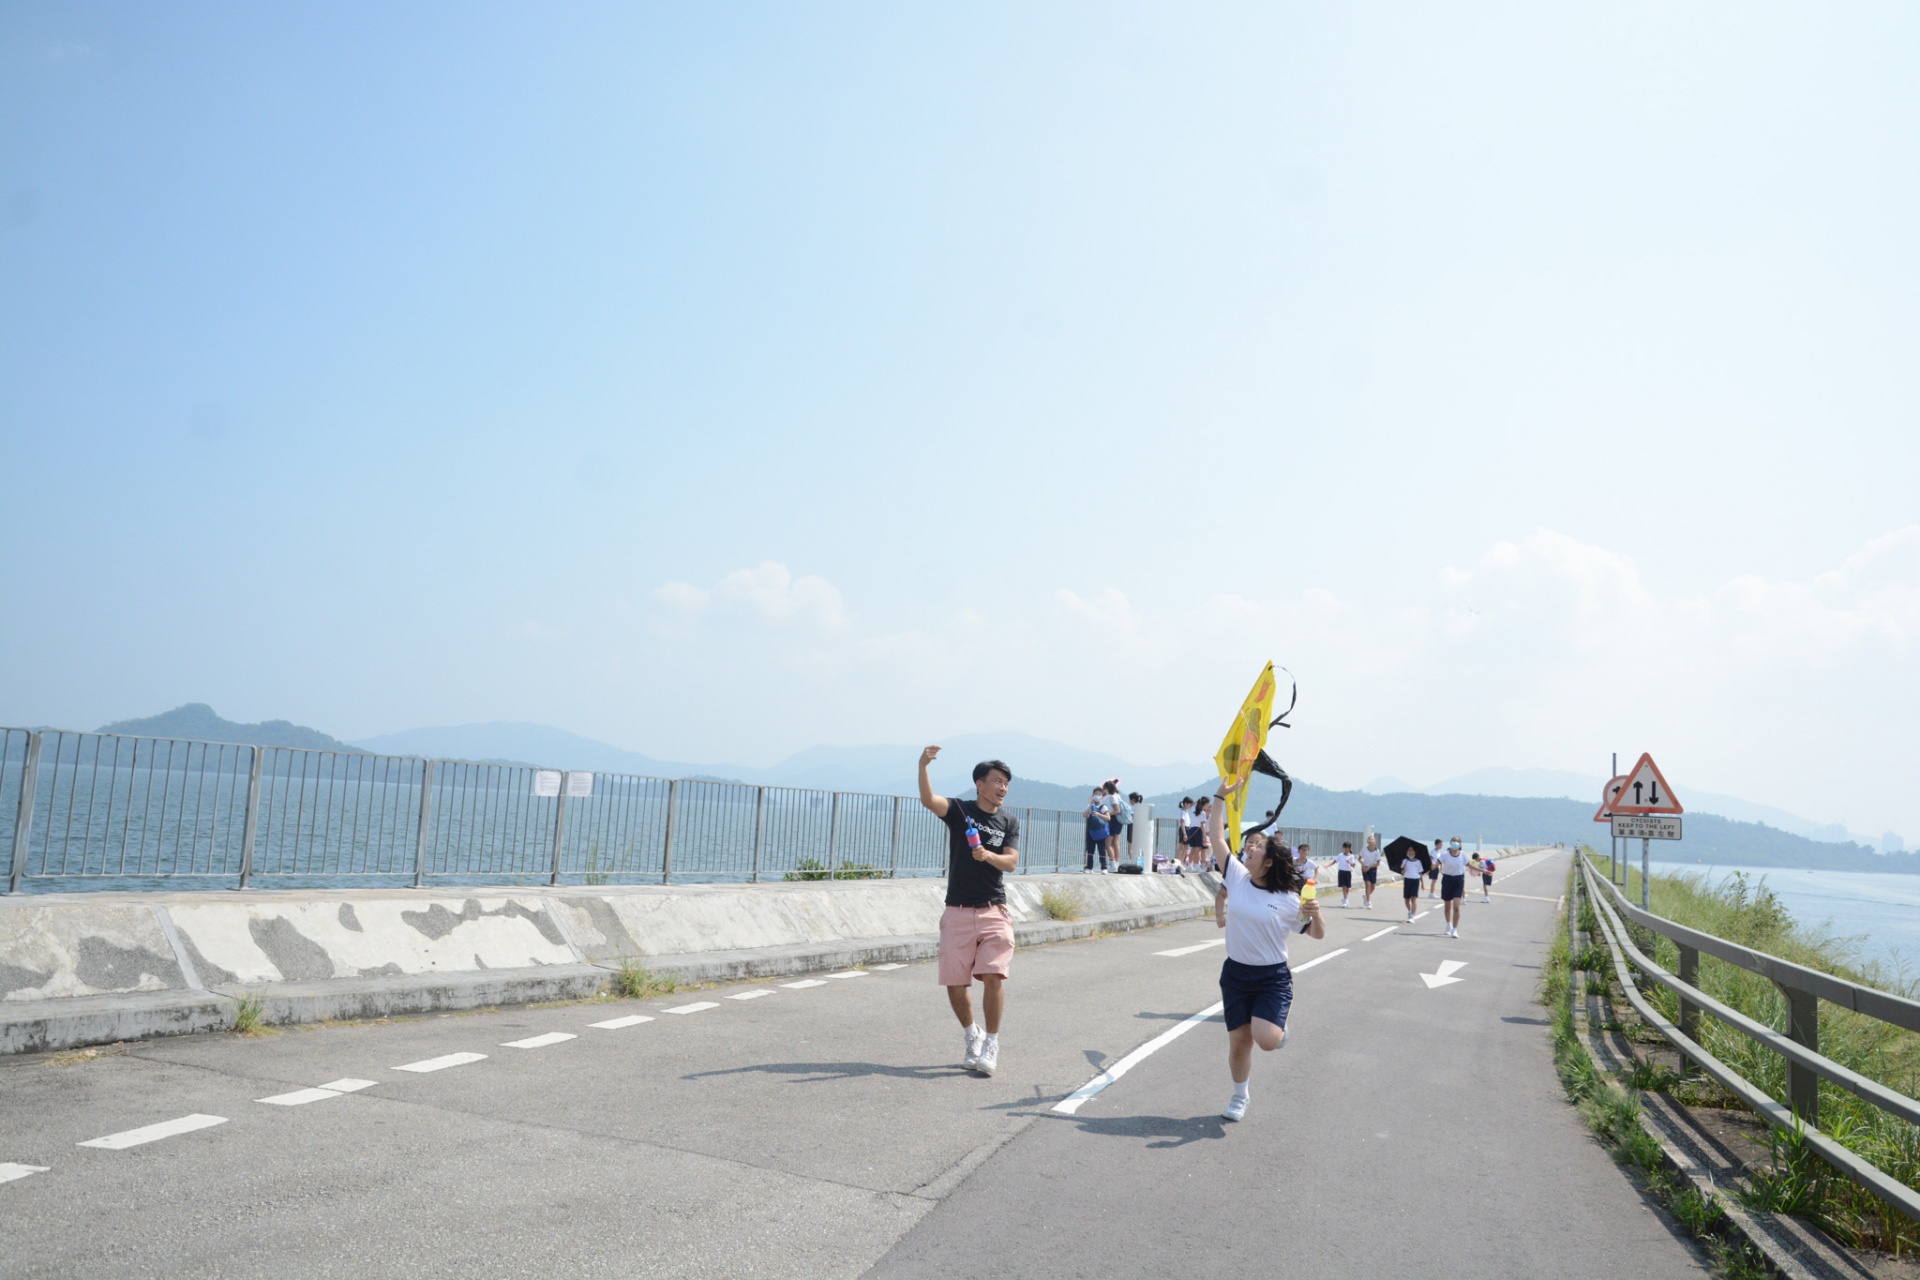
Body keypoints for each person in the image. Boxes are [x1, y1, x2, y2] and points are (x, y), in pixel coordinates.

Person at [1207, 778, 1323, 1122]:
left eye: (1257, 848)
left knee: (1267, 1040)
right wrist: (1220, 797)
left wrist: (1317, 914)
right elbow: (1216, 837)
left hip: (1272, 977)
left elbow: (1316, 934)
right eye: (1250, 846)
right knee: (1239, 1042)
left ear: (1269, 861)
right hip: (1236, 974)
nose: (1250, 849)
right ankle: (1239, 1096)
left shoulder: (1288, 899)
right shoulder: (1237, 877)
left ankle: (1279, 1032)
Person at [917, 746, 1021, 1076]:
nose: (1003, 788)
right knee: (955, 982)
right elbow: (928, 800)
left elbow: (1011, 862)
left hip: (993, 909)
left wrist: (987, 856)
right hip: (958, 910)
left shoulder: (1008, 821)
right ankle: (971, 1035)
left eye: (1006, 783)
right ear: (980, 784)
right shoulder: (960, 811)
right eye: (997, 781)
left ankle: (992, 1042)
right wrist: (923, 766)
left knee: (993, 975)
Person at [1437, 837, 1470, 937]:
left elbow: (1469, 865)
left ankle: (1455, 929)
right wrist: (1429, 867)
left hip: (1458, 880)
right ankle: (1448, 924)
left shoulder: (1462, 854)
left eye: (1458, 841)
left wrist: (1482, 870)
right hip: (1447, 879)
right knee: (1447, 906)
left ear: (1460, 844)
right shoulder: (1445, 854)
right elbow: (1435, 864)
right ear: (1450, 843)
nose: (1456, 843)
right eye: (1454, 841)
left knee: (1456, 906)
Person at [1083, 788, 1111, 873]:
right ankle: (1089, 867)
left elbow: (1108, 817)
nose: (1097, 796)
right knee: (1090, 850)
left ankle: (1104, 867)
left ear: (1102, 796)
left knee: (1101, 850)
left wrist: (1098, 814)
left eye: (1099, 794)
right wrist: (1090, 807)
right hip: (1091, 831)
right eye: (1095, 794)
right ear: (1093, 795)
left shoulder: (1103, 807)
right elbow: (1085, 815)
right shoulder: (1090, 806)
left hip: (1100, 832)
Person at [1103, 781, 1129, 869]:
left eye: (1105, 789)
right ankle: (1116, 863)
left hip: (1114, 820)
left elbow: (1117, 810)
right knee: (1115, 842)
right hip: (1118, 821)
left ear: (1108, 788)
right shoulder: (1117, 796)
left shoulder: (1113, 797)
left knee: (1107, 843)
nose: (1104, 790)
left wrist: (1107, 814)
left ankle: (1113, 863)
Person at [1401, 844, 1426, 922]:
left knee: (1413, 899)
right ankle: (1409, 911)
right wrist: (1404, 869)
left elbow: (1420, 873)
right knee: (1406, 900)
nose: (1410, 852)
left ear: (1414, 852)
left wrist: (1422, 884)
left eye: (1412, 850)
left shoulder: (1418, 862)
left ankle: (1412, 916)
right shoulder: (1405, 861)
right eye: (1409, 850)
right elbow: (1402, 872)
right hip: (1407, 880)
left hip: (1415, 880)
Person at [1358, 834, 1383, 910]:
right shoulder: (1364, 849)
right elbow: (1359, 858)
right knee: (1367, 885)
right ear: (1367, 841)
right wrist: (1363, 865)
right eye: (1369, 839)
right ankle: (1368, 902)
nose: (1371, 841)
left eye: (1372, 839)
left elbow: (1378, 863)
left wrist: (1369, 867)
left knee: (1373, 886)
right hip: (1365, 868)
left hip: (1372, 869)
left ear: (1375, 842)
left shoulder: (1377, 851)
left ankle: (1366, 897)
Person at [1331, 841, 1356, 908]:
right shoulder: (1340, 855)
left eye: (1347, 848)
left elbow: (1353, 865)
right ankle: (1345, 900)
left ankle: (1345, 899)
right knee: (1344, 886)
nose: (1345, 849)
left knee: (1347, 887)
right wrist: (1328, 865)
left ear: (1349, 848)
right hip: (1341, 871)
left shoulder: (1351, 856)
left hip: (1348, 872)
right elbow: (1335, 861)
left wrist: (1349, 862)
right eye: (1344, 848)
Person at [1125, 791, 1146, 866]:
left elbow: (1131, 817)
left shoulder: (1131, 808)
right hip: (1140, 827)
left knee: (1130, 847)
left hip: (1132, 825)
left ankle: (1133, 862)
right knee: (1138, 847)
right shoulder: (1141, 807)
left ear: (1133, 800)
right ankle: (1137, 863)